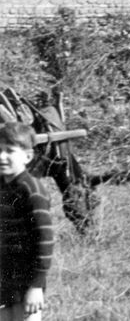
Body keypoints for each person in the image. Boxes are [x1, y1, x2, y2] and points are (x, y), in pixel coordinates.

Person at [0, 123, 53, 320]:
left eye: (9, 151)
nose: (1, 157)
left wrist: (36, 286)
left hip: (26, 281)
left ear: (27, 157)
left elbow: (44, 240)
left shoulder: (32, 190)